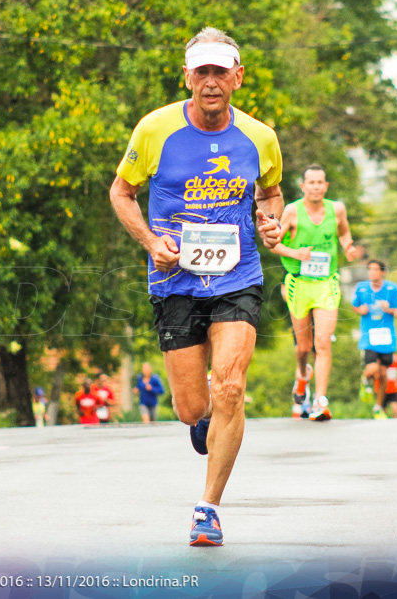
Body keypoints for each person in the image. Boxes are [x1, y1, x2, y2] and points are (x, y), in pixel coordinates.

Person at [109, 27, 284, 546]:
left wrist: (270, 222)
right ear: (187, 76)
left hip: (238, 275)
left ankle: (208, 507)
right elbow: (121, 193)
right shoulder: (154, 130)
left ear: (237, 77)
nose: (211, 82)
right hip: (175, 278)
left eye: (219, 72)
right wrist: (148, 241)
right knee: (192, 407)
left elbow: (270, 195)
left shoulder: (260, 137)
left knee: (230, 385)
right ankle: (203, 418)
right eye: (201, 72)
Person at [272, 164, 362, 421]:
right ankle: (302, 377)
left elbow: (344, 231)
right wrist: (295, 254)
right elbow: (273, 244)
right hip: (298, 283)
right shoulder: (292, 211)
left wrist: (349, 247)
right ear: (303, 187)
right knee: (303, 347)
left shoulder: (337, 209)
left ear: (326, 186)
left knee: (322, 342)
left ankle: (321, 400)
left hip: (326, 282)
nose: (316, 187)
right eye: (311, 182)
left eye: (320, 182)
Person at [351, 260, 397, 421]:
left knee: (384, 373)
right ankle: (365, 380)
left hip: (387, 337)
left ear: (382, 272)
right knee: (372, 369)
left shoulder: (392, 288)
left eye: (375, 270)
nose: (372, 273)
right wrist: (361, 310)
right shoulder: (361, 287)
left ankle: (378, 407)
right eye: (370, 270)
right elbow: (354, 306)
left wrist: (390, 309)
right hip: (369, 337)